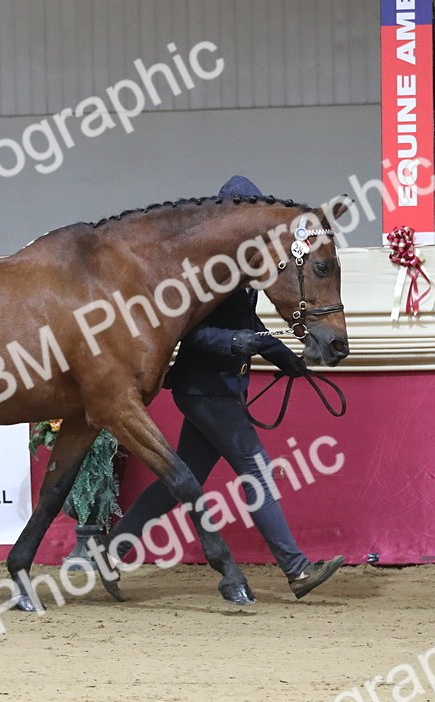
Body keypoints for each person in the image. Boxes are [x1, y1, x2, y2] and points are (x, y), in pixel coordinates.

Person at [104, 176, 344, 604]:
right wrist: (235, 342)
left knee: (180, 481)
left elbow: (248, 324)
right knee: (258, 471)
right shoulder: (203, 273)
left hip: (222, 388)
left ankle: (108, 553)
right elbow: (185, 331)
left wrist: (282, 356)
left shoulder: (244, 269)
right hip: (205, 388)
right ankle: (296, 569)